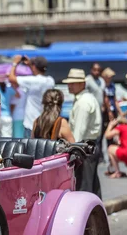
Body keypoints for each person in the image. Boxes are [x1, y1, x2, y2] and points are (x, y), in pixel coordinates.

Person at [62, 68, 102, 198]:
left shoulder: (83, 102)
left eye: (73, 83)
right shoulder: (85, 98)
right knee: (92, 185)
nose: (69, 86)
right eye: (69, 83)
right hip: (89, 146)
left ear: (82, 84)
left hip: (84, 148)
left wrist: (71, 150)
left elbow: (78, 134)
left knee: (84, 188)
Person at [8, 55, 55, 138]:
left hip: (31, 124)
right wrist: (31, 65)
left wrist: (15, 63)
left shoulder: (33, 81)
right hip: (44, 123)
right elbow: (36, 74)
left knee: (28, 150)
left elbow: (11, 78)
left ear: (34, 67)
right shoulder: (50, 80)